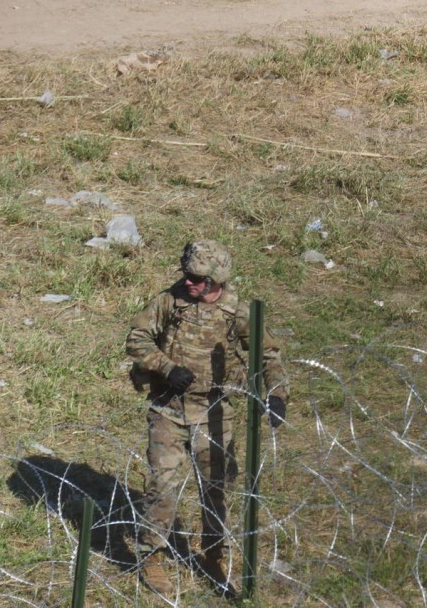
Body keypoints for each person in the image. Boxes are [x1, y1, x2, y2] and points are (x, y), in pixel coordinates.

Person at [125, 240, 288, 597]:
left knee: (216, 488)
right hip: (169, 407)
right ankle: (151, 555)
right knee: (162, 486)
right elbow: (136, 338)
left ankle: (215, 553)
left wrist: (277, 394)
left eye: (198, 279)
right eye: (186, 275)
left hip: (214, 412)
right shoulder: (170, 301)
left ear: (216, 280)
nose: (189, 283)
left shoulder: (237, 312)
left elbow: (268, 354)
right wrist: (166, 368)